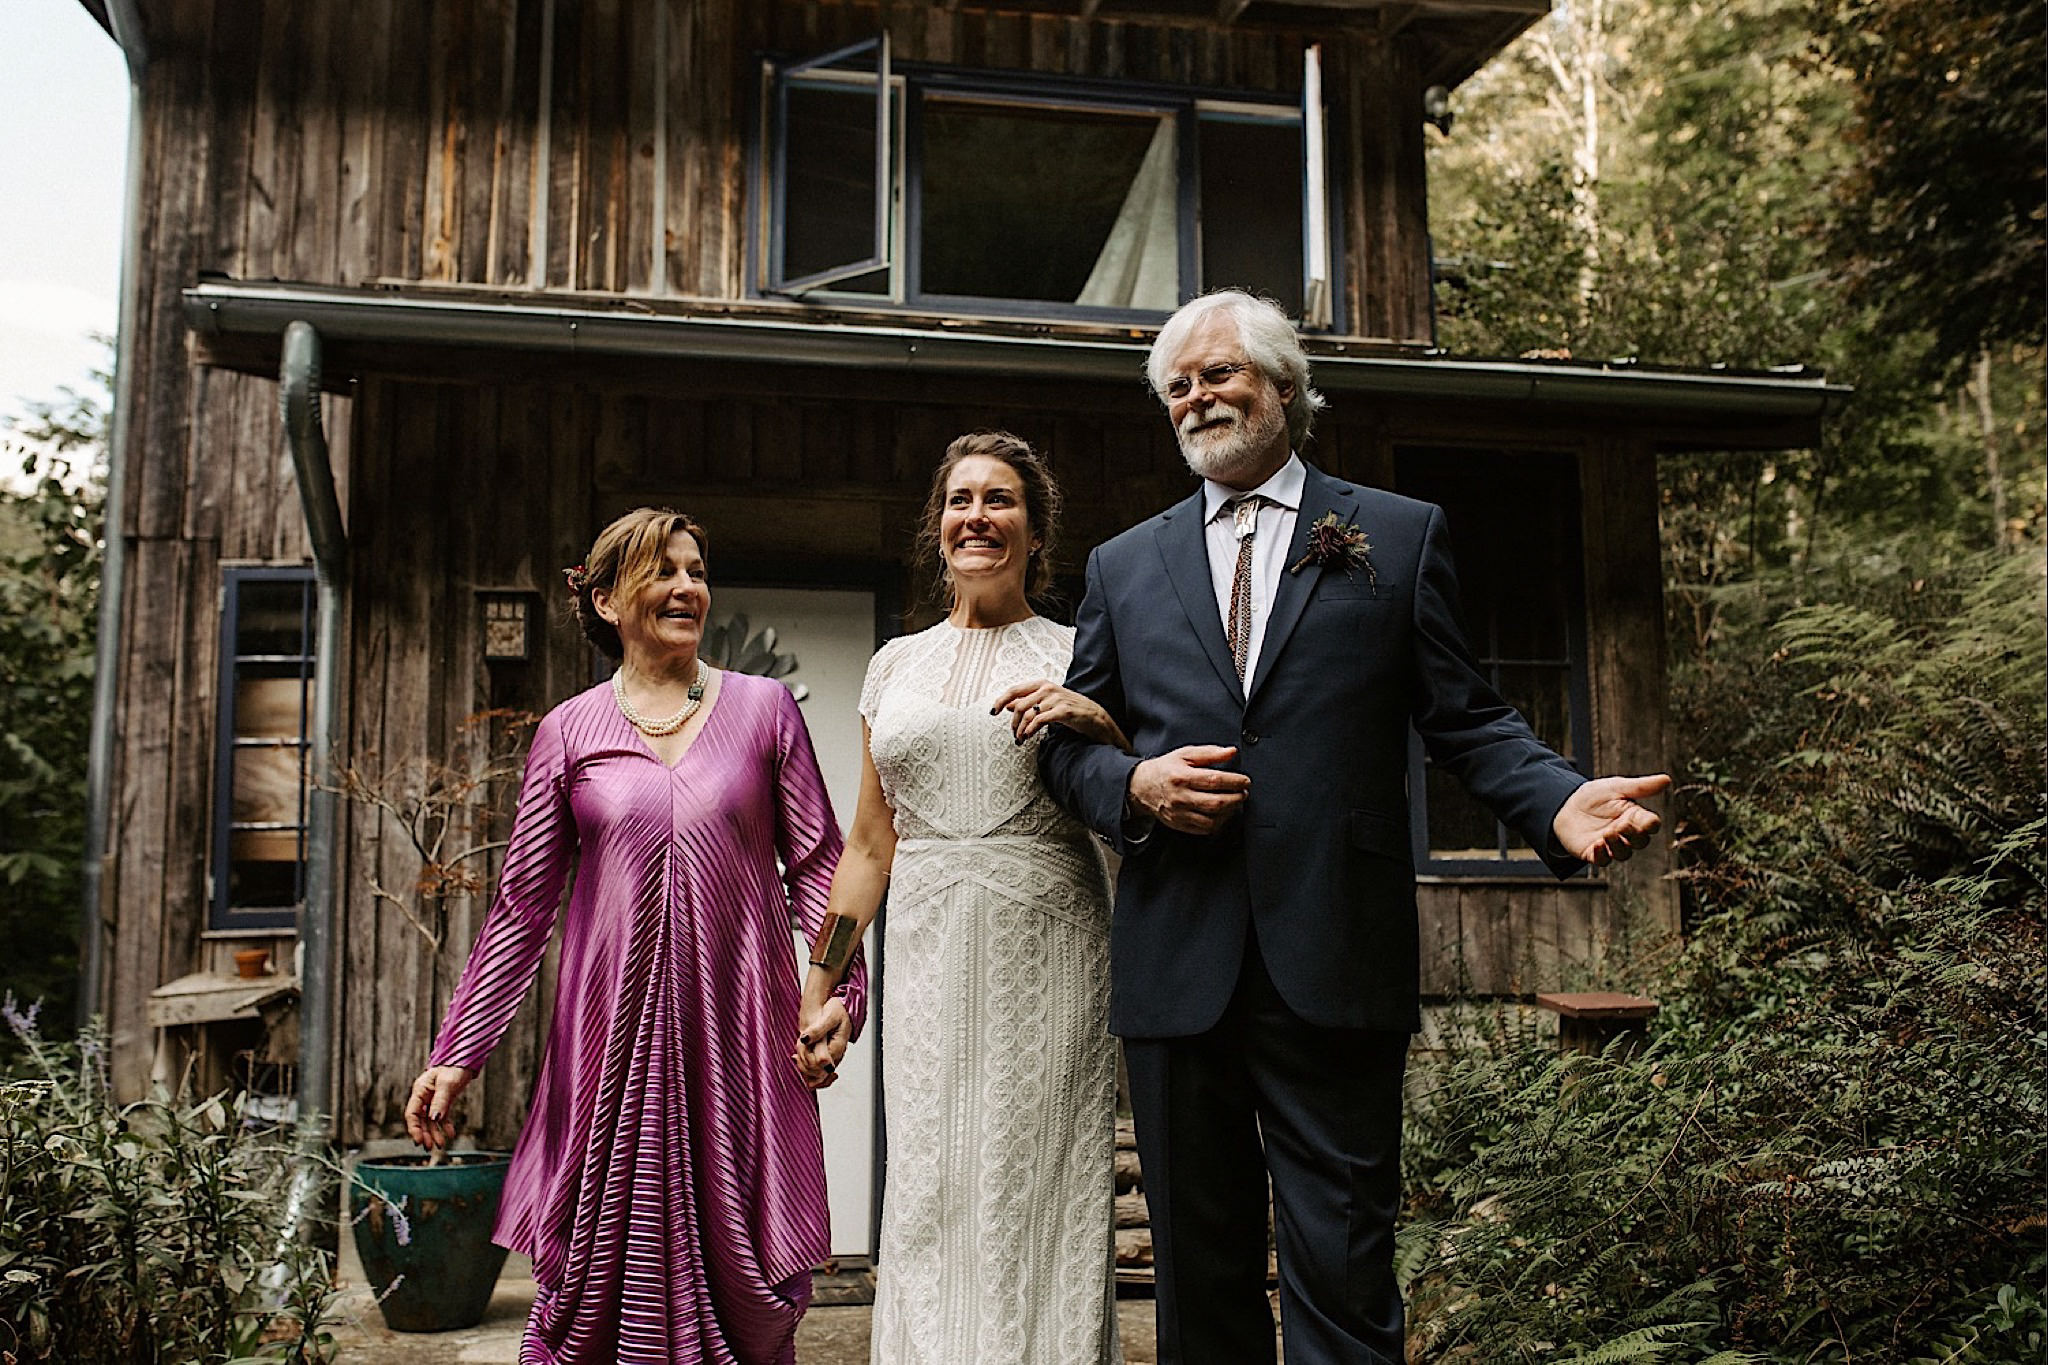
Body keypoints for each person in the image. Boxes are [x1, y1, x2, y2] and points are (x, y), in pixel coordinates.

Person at [1036, 289, 1671, 1365]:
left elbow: (1464, 717)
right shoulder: (1120, 565)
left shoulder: (1395, 533)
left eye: (1218, 373)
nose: (1197, 397)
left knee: (1341, 1258)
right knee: (1201, 1274)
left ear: (1282, 385)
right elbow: (1066, 743)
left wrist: (1552, 799)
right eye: (1177, 386)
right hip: (1177, 956)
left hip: (1333, 952)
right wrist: (1132, 786)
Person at [402, 507, 865, 1365]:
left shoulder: (764, 710)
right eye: (664, 570)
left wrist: (838, 991)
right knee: (593, 1284)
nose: (689, 586)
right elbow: (523, 908)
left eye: (697, 569)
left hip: (738, 1043)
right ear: (608, 599)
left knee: (747, 1280)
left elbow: (819, 867)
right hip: (610, 1050)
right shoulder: (568, 732)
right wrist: (459, 1050)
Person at [792, 432, 1128, 1364]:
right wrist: (821, 983)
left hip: (1051, 940)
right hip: (933, 946)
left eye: (1001, 499)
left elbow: (1130, 801)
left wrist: (1103, 719)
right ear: (938, 526)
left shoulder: (1081, 653)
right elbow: (867, 844)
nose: (977, 516)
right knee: (935, 1181)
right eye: (960, 500)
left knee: (1036, 1181)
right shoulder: (894, 666)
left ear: (1034, 529)